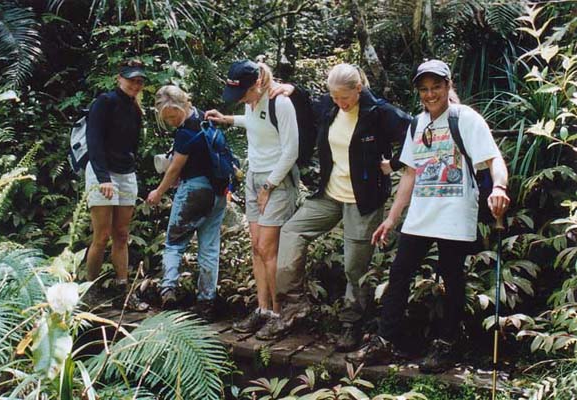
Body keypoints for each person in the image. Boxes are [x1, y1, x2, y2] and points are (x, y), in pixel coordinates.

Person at [345, 59, 510, 373]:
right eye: (424, 89)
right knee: (400, 272)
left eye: (436, 87)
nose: (431, 94)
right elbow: (409, 175)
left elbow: (493, 159)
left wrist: (499, 186)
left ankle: (447, 344)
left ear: (448, 86)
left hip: (455, 213)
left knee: (452, 278)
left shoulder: (466, 119)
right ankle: (386, 340)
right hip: (422, 213)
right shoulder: (417, 124)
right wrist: (392, 219)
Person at [262, 63, 412, 347]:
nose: (339, 103)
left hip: (363, 199)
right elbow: (311, 103)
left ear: (359, 89)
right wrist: (293, 90)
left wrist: (393, 164)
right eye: (334, 97)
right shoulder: (332, 107)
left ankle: (351, 324)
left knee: (355, 267)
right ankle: (295, 305)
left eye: (344, 97)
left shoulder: (378, 112)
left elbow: (414, 131)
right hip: (330, 194)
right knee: (292, 232)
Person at [205, 60, 299, 338]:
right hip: (254, 177)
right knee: (256, 247)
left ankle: (279, 314)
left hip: (276, 181)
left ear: (256, 84)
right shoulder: (252, 102)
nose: (240, 101)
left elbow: (291, 150)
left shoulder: (279, 103)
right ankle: (263, 308)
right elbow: (256, 123)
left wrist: (269, 186)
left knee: (269, 250)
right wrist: (228, 119)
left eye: (243, 94)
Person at [146, 85, 228, 318]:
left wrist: (158, 192)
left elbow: (174, 170)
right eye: (167, 118)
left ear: (184, 105)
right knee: (209, 247)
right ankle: (206, 301)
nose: (172, 121)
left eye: (173, 115)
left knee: (174, 243)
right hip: (218, 191)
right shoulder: (206, 118)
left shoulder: (185, 133)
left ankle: (168, 290)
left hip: (194, 191)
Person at [84, 60, 149, 311]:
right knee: (101, 235)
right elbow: (94, 141)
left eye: (139, 81)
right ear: (119, 78)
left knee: (122, 234)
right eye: (131, 79)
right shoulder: (105, 102)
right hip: (103, 172)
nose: (135, 84)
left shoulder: (135, 109)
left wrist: (130, 167)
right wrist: (103, 179)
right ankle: (90, 291)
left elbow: (132, 145)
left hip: (125, 173)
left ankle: (123, 291)